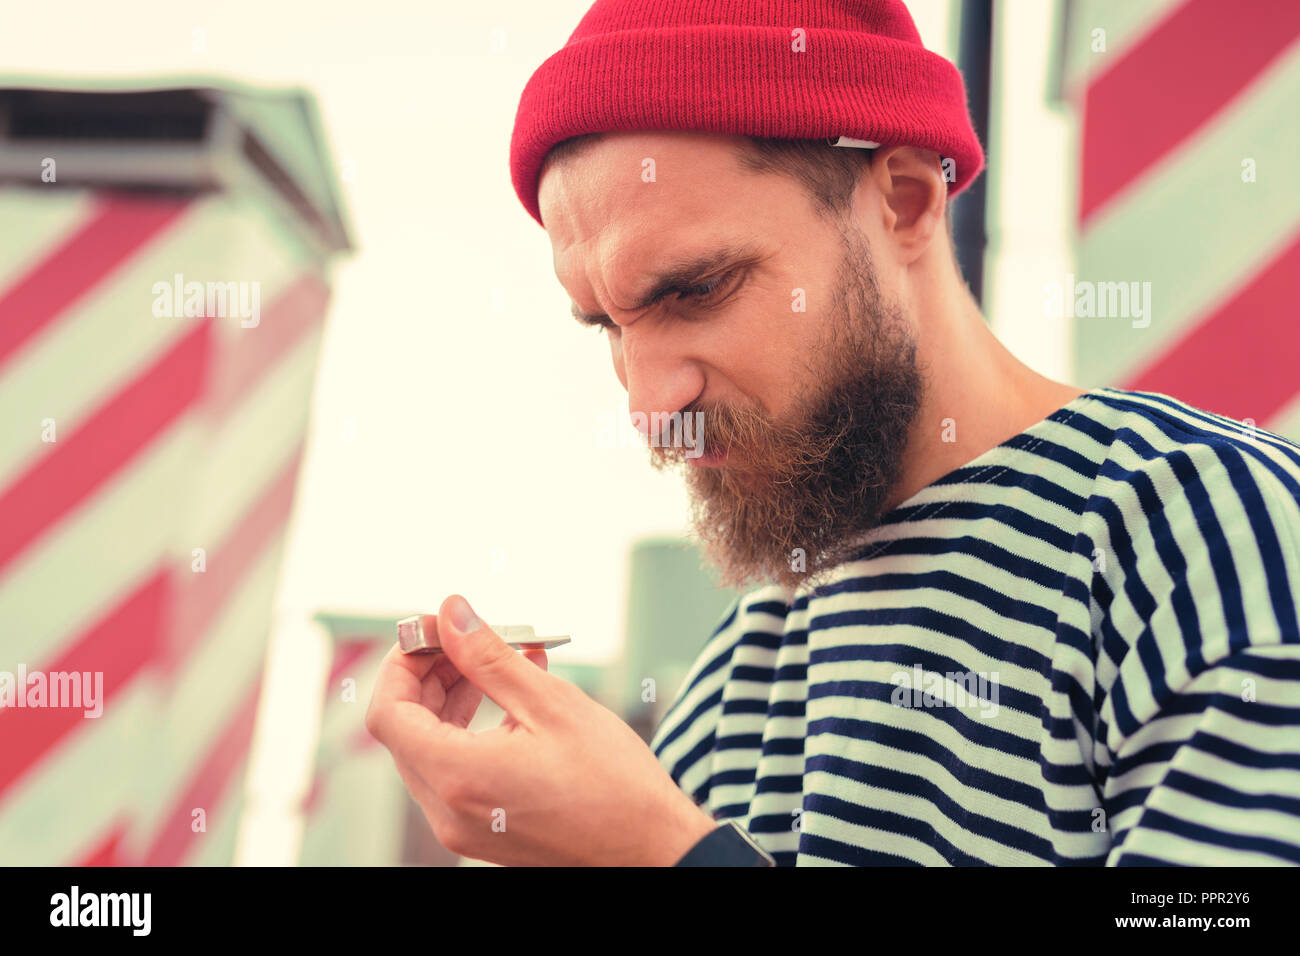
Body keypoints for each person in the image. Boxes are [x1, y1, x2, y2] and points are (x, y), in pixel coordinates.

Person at [366, 0, 1300, 866]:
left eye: (696, 288)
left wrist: (668, 856)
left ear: (904, 199)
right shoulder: (737, 681)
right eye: (608, 326)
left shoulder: (1211, 539)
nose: (648, 401)